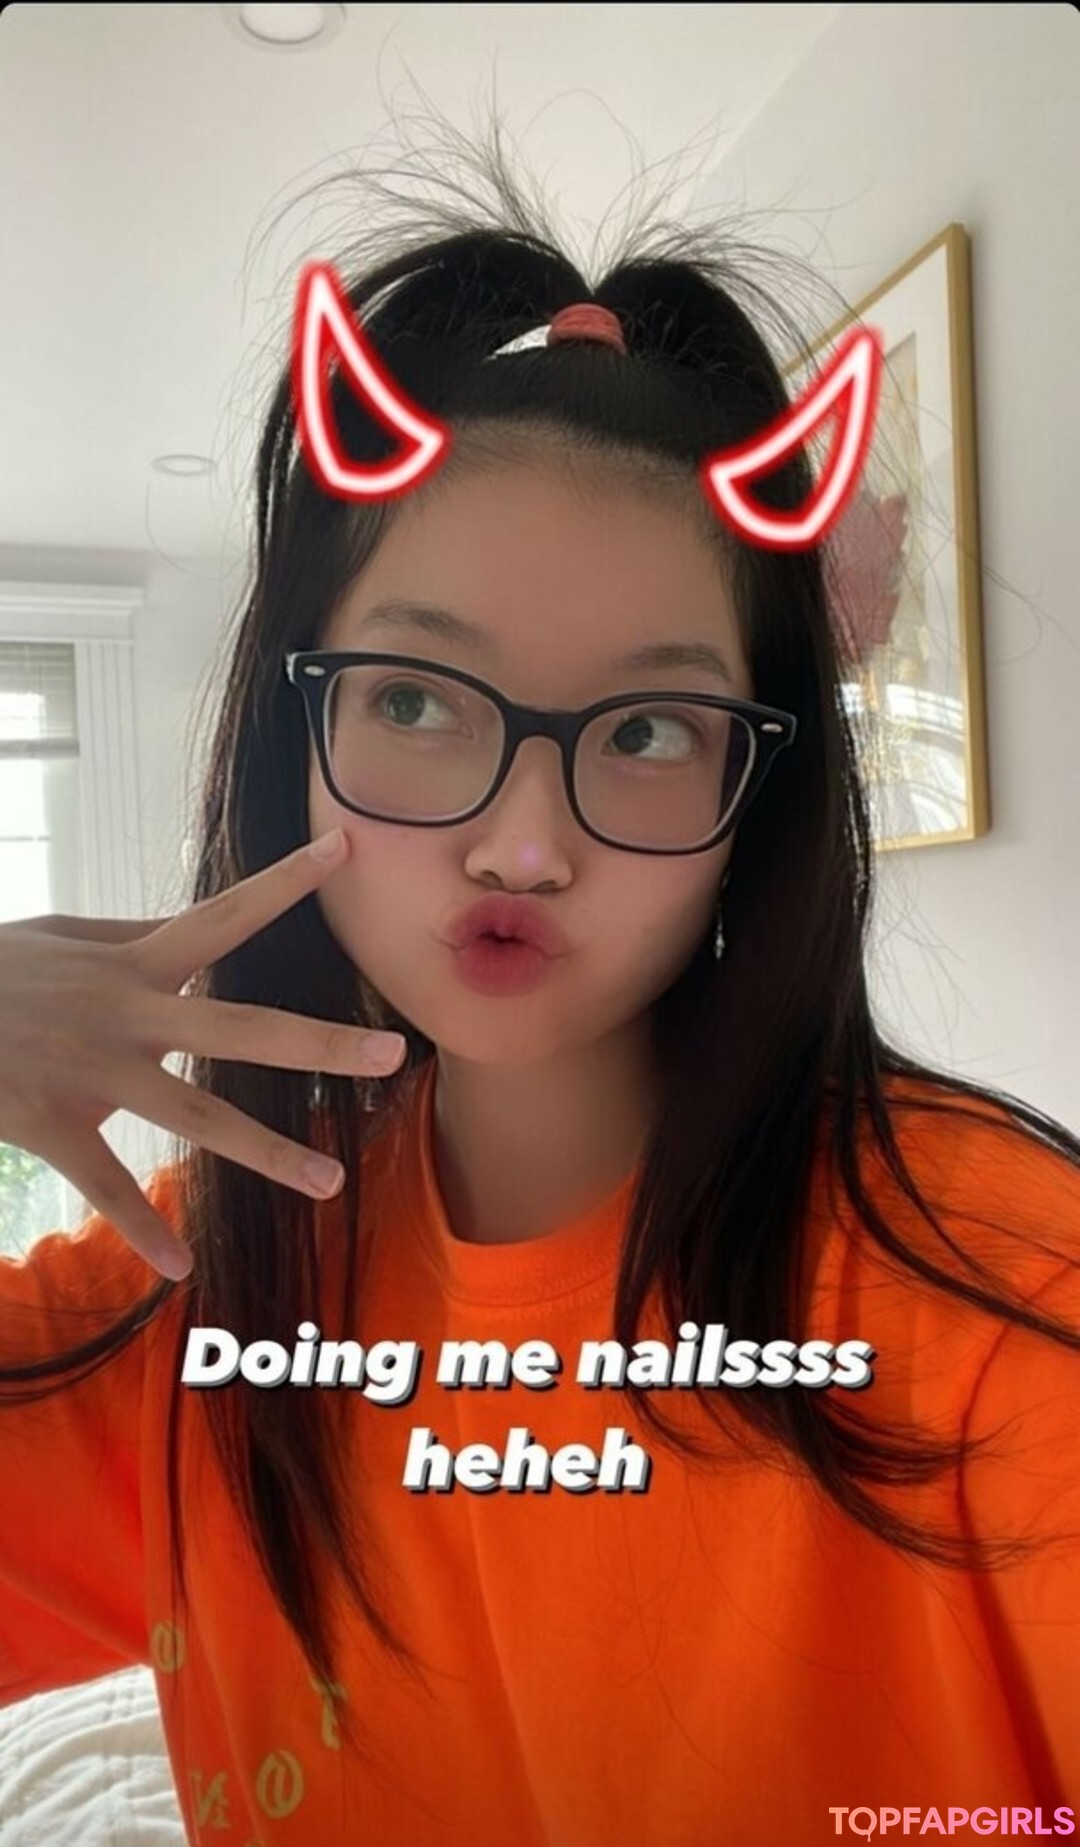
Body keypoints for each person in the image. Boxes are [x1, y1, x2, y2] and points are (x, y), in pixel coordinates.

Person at [1, 136, 1079, 1847]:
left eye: (646, 730)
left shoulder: (1006, 1308)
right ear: (299, 736)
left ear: (760, 792)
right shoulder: (202, 1283)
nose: (521, 845)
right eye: (417, 701)